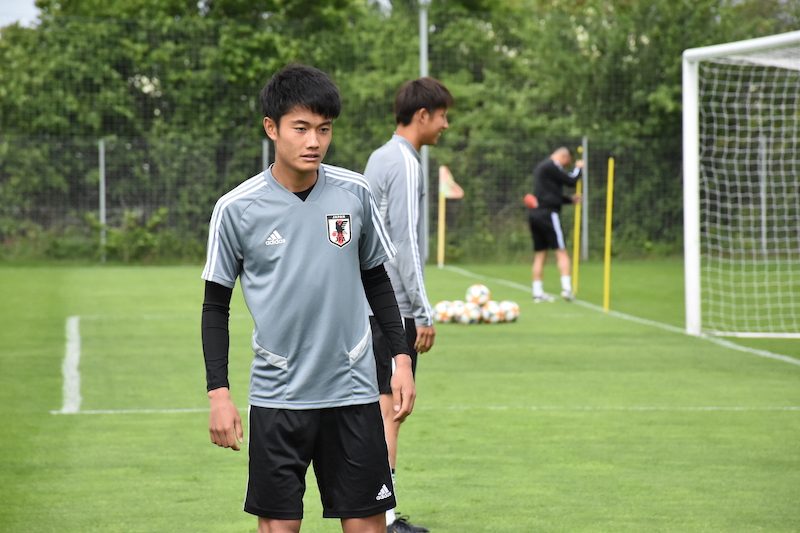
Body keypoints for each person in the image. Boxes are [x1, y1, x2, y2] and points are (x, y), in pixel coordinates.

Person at [200, 64, 416, 533]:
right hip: (278, 397)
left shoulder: (354, 193)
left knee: (367, 528)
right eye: (301, 128)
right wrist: (219, 393)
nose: (314, 141)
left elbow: (377, 281)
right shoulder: (236, 208)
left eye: (324, 129)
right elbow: (215, 306)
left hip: (353, 392)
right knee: (279, 528)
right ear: (271, 128)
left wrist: (401, 359)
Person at [363, 77, 453, 533]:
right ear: (422, 115)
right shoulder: (405, 162)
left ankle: (375, 512)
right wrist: (423, 310)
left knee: (378, 408)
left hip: (366, 304)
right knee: (391, 409)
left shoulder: (379, 157)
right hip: (392, 307)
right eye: (442, 116)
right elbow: (405, 243)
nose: (445, 125)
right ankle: (384, 517)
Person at [527, 146, 583, 302]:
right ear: (564, 157)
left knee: (540, 254)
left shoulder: (543, 168)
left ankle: (537, 292)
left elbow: (550, 194)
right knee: (561, 251)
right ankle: (567, 289)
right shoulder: (552, 166)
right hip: (548, 214)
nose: (566, 165)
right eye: (567, 162)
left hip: (535, 214)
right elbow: (571, 180)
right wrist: (579, 168)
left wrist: (570, 200)